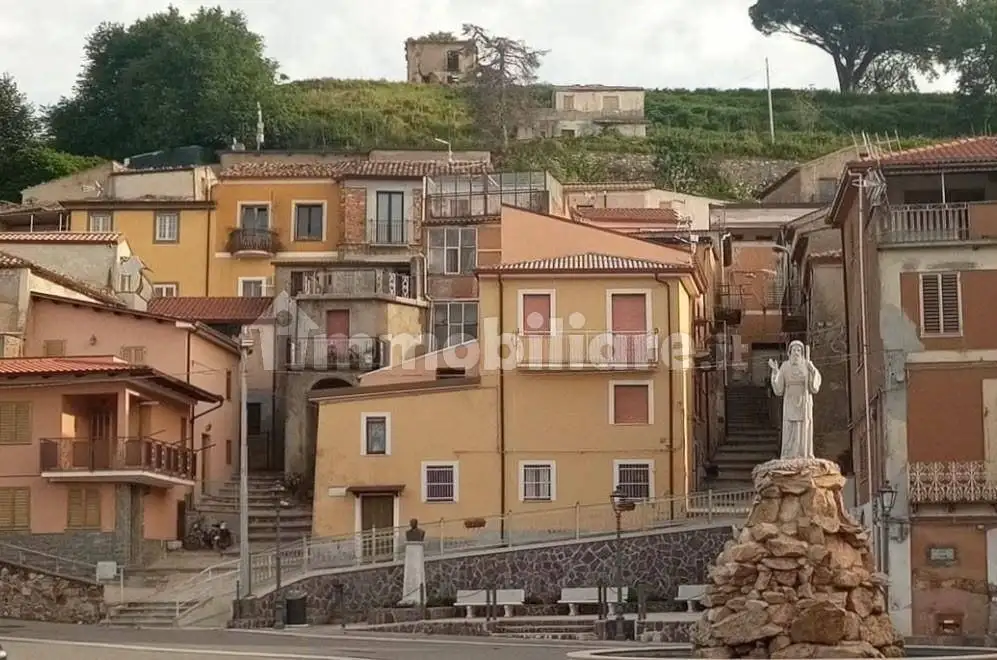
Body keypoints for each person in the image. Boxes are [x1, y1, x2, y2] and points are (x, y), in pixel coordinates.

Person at [768, 340, 822, 459]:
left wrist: (812, 370)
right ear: (789, 352)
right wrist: (775, 372)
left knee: (803, 427)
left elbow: (814, 387)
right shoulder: (785, 366)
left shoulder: (807, 365)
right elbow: (779, 389)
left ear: (802, 353)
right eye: (794, 350)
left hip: (804, 400)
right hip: (790, 400)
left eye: (799, 350)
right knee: (790, 427)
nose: (796, 353)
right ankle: (789, 454)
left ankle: (804, 453)